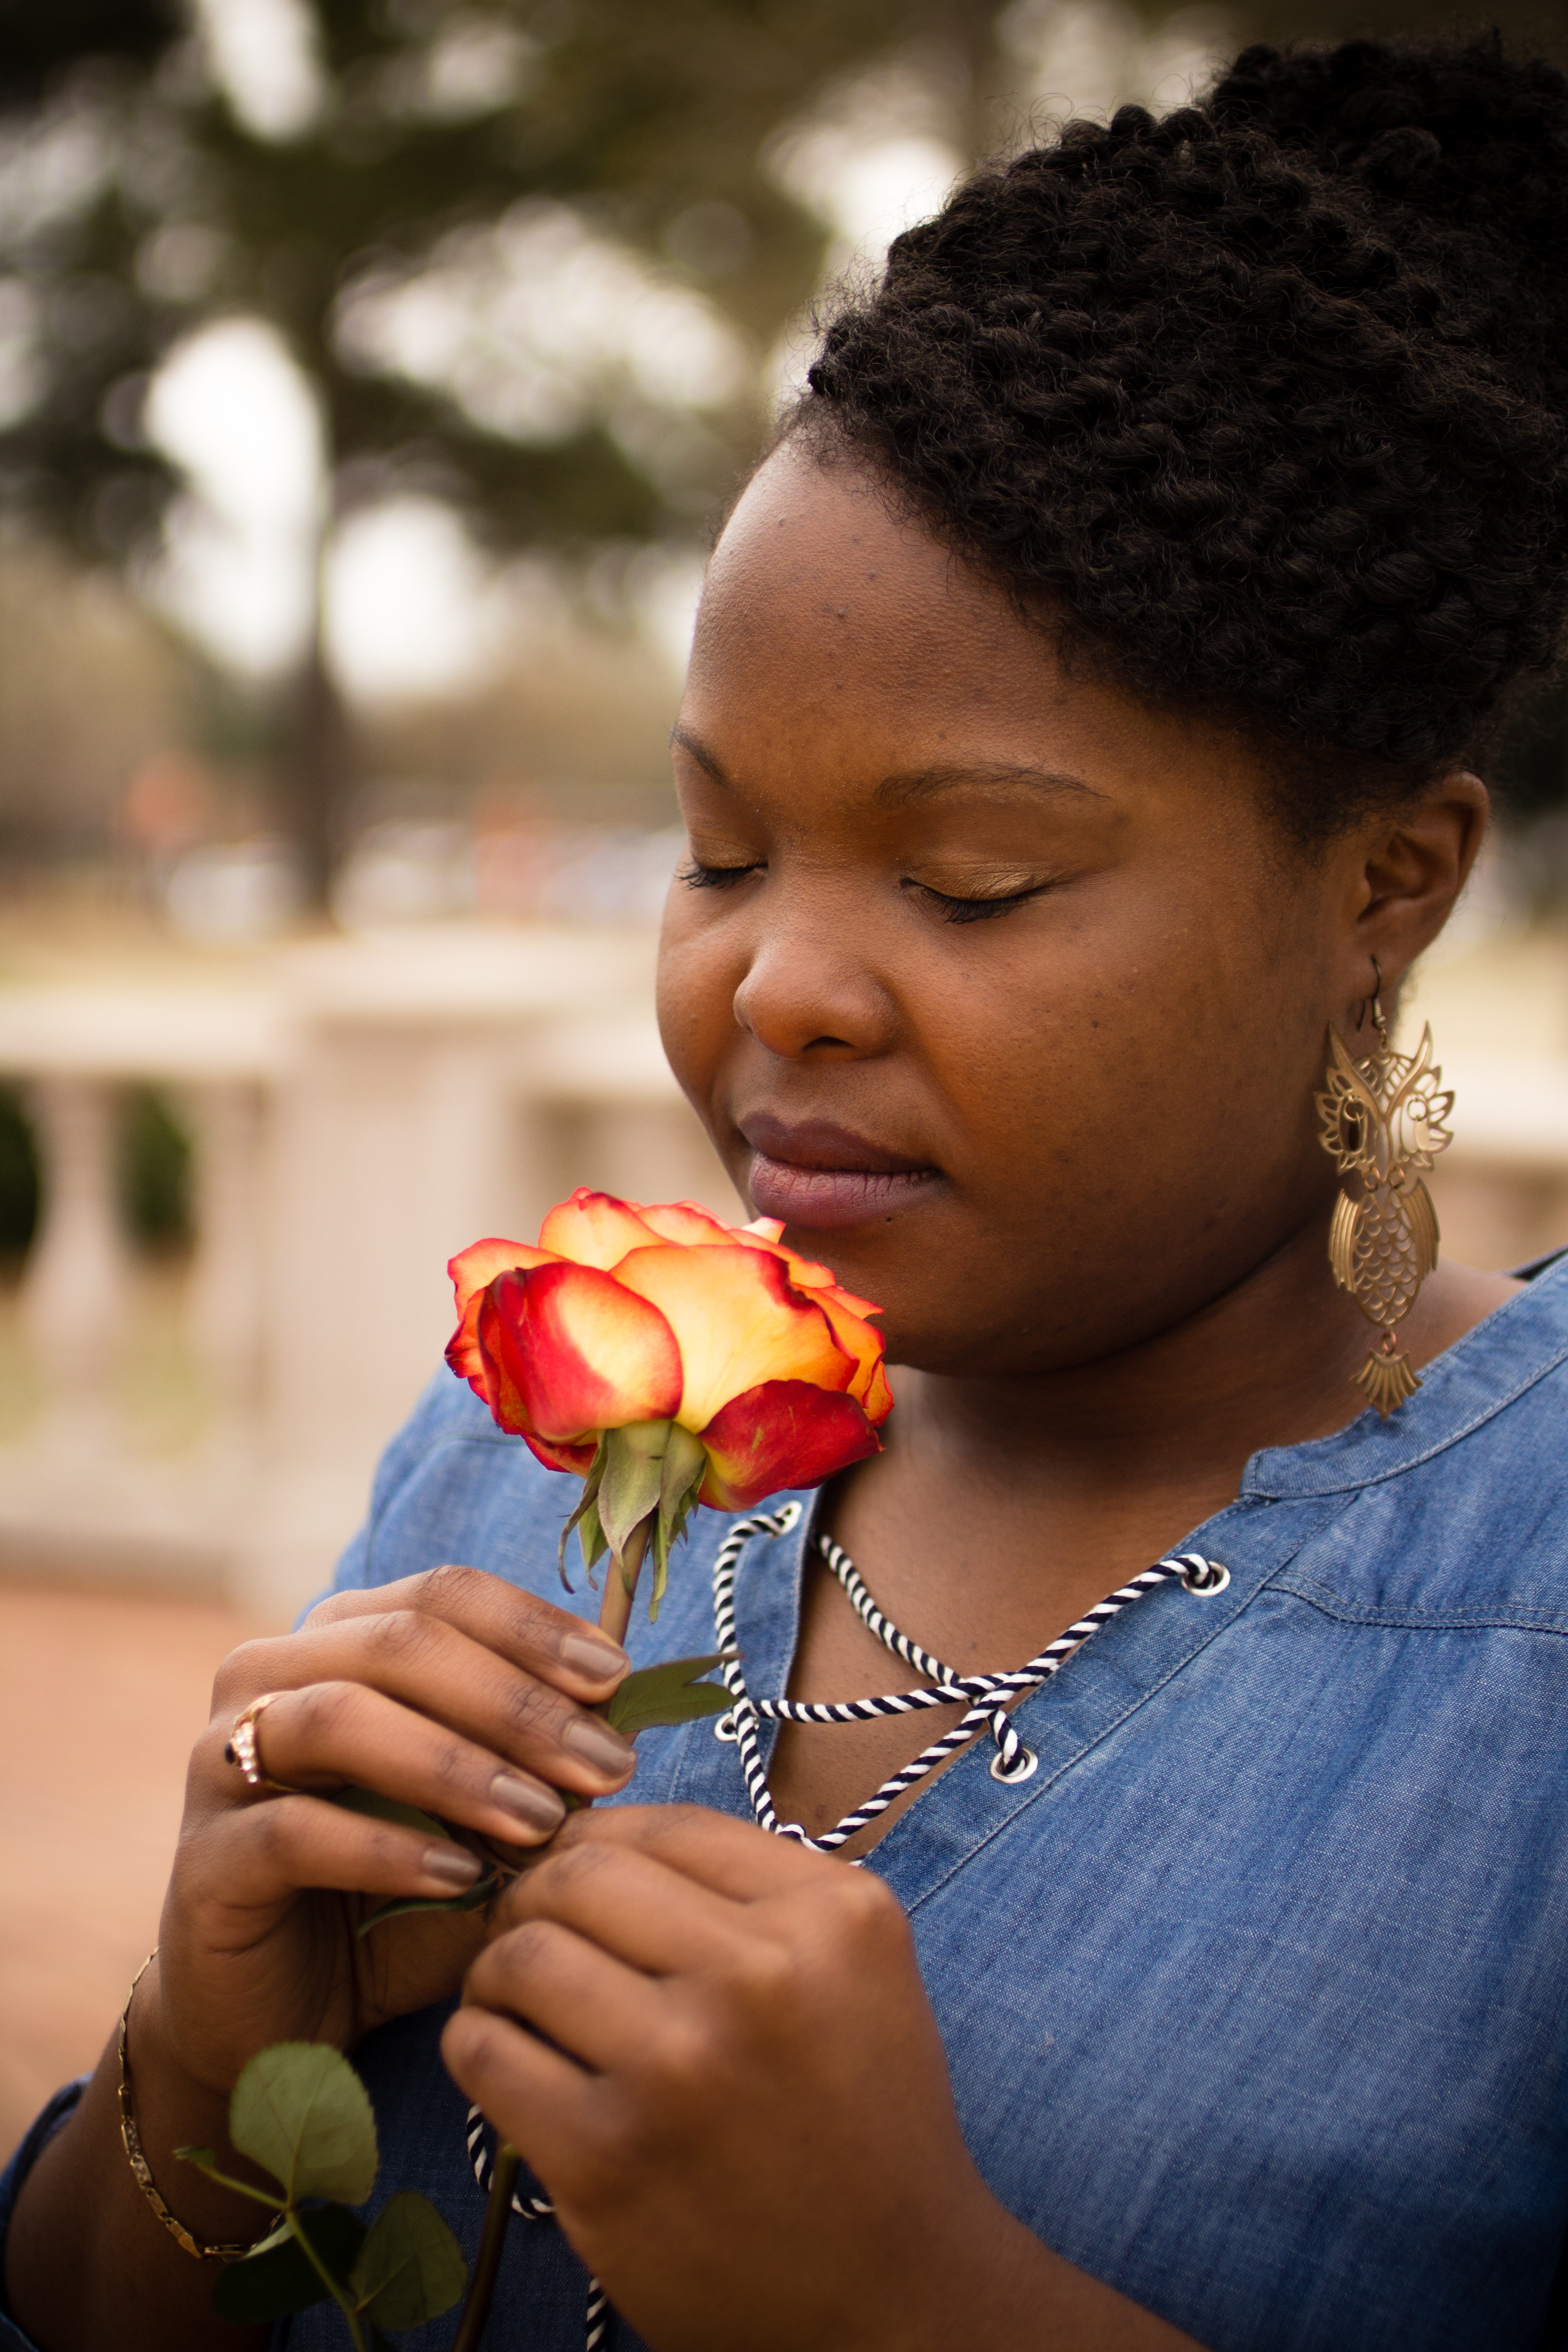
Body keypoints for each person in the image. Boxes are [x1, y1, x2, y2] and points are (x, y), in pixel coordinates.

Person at [7, 29, 1568, 2352]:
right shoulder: (549, 1438)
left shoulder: (1517, 1626)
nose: (778, 984)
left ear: (1387, 878)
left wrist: (912, 2298)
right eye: (719, 846)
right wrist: (212, 2063)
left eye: (971, 878)